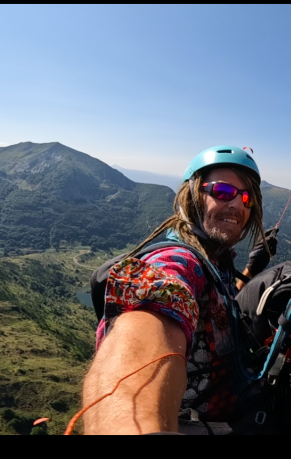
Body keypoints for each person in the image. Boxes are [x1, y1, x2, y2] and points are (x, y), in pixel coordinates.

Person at [81, 145, 276, 434]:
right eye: (223, 191)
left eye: (246, 198)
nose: (237, 204)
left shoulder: (216, 259)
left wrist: (250, 270)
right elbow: (146, 327)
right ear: (192, 195)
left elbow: (213, 309)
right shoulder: (177, 261)